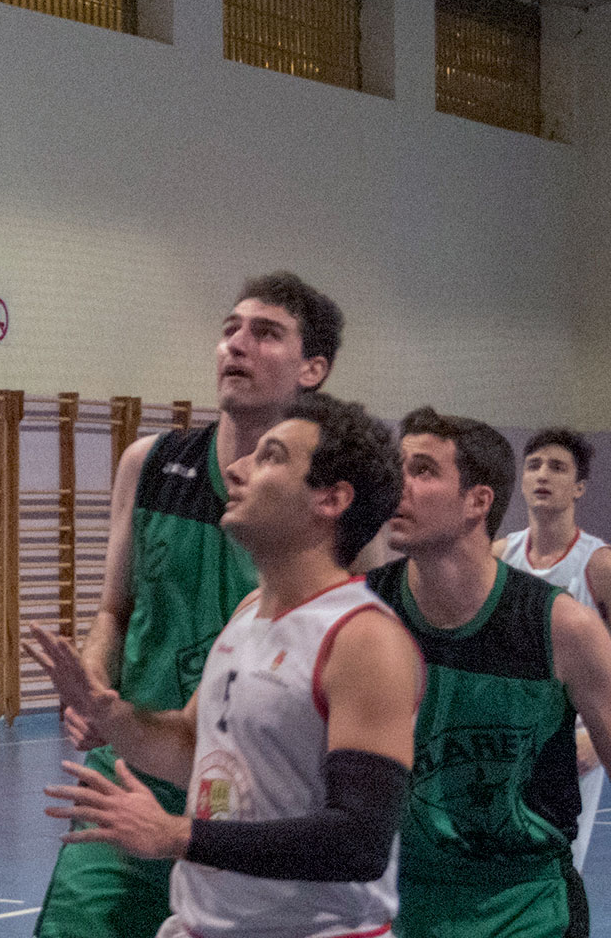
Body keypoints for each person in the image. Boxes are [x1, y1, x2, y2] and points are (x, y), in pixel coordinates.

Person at [28, 392, 419, 938]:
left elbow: (358, 842)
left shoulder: (364, 638)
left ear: (331, 499)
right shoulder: (247, 614)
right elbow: (188, 748)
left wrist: (179, 836)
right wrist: (111, 714)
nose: (236, 471)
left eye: (271, 457)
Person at [36, 273, 344, 938]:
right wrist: (92, 685)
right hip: (133, 767)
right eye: (230, 329)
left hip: (251, 795)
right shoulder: (150, 463)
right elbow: (114, 609)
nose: (236, 344)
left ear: (311, 368)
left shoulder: (327, 501)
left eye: (265, 334)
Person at [368, 410, 611, 938]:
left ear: (478, 501)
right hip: (392, 899)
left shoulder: (564, 627)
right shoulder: (360, 611)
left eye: (423, 470)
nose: (397, 484)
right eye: (397, 466)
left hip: (523, 909)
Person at [495, 430, 605, 870]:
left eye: (557, 467)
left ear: (579, 487)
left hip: (572, 735)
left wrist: (595, 744)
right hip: (504, 733)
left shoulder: (598, 565)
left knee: (556, 865)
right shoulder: (500, 555)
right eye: (534, 464)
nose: (543, 474)